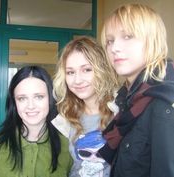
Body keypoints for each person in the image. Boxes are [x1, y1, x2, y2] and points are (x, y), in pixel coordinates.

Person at [98, 3, 174, 177]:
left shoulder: (165, 105)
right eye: (110, 41)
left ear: (153, 40)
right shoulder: (129, 99)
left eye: (127, 36)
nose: (114, 48)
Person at [0, 66, 72, 177]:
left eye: (39, 97)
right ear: (14, 103)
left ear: (50, 99)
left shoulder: (68, 146)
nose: (30, 106)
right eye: (22, 98)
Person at [52, 36, 119, 177]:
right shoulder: (66, 117)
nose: (77, 80)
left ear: (102, 70)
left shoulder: (121, 111)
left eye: (87, 70)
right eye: (70, 72)